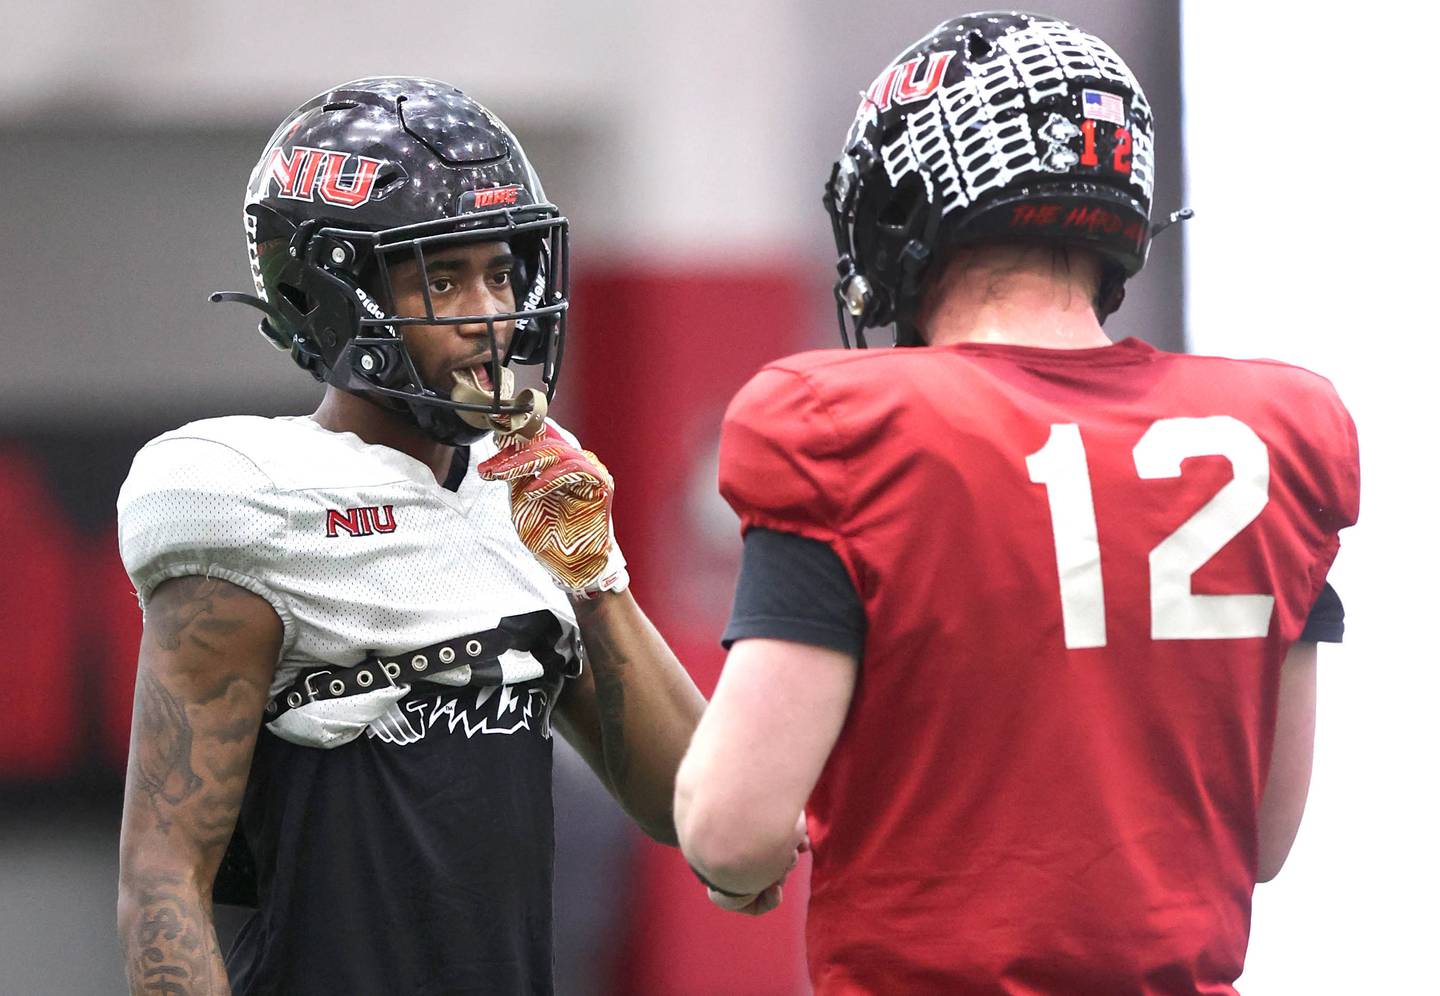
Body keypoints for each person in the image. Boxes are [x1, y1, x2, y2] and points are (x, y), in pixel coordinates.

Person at [675, 12, 1358, 994]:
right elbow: (1264, 837)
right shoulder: (1279, 433)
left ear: (911, 197)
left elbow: (734, 834)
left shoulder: (841, 425)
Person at [115, 77, 705, 995]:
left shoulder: (522, 496)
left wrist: (598, 582)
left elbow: (687, 807)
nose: (489, 315)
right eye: (441, 277)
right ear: (328, 295)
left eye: (501, 273)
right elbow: (162, 880)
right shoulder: (250, 496)